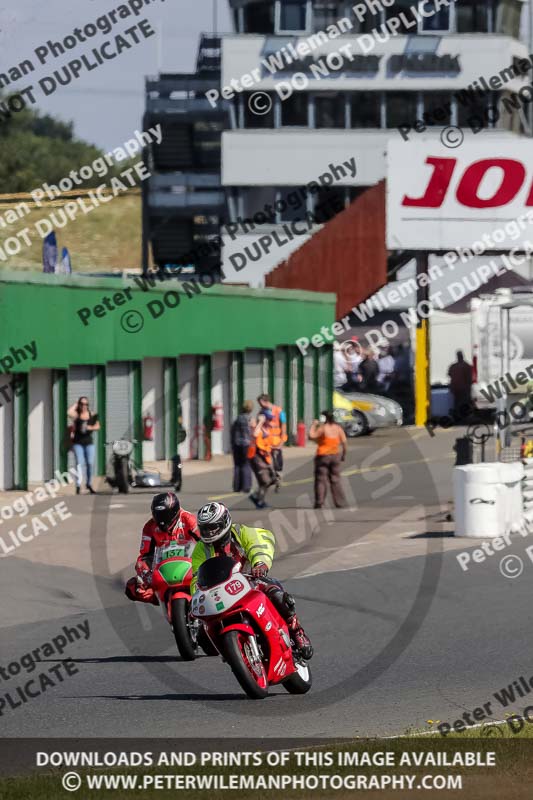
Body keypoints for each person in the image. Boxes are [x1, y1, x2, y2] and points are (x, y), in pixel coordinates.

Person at [190, 502, 313, 660]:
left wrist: (260, 564)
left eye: (212, 527)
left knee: (276, 594)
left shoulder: (241, 532)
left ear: (224, 523)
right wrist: (197, 596)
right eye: (204, 528)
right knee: (203, 632)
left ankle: (297, 631)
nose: (208, 532)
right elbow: (196, 576)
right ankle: (233, 654)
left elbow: (259, 545)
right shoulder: (200, 549)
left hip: (250, 580)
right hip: (221, 593)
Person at [124, 492, 199, 604]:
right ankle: (159, 596)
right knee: (132, 588)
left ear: (174, 511)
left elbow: (205, 542)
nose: (162, 521)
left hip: (191, 566)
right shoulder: (149, 527)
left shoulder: (188, 519)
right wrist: (146, 576)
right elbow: (145, 556)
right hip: (164, 568)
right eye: (158, 516)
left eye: (165, 516)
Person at [309, 411, 347, 509]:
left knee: (321, 479)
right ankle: (339, 502)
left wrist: (313, 425)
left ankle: (319, 502)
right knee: (335, 479)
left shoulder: (323, 428)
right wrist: (343, 455)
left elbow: (311, 436)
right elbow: (344, 442)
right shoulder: (338, 428)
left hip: (323, 456)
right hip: (335, 455)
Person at [67, 396, 100, 494]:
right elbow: (69, 412)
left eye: (86, 404)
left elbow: (98, 426)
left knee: (90, 463)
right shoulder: (76, 415)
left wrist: (90, 428)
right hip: (78, 443)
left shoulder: (91, 414)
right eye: (82, 404)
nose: (84, 406)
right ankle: (78, 485)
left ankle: (89, 484)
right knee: (79, 463)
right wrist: (76, 404)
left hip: (89, 443)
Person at [257, 393, 287, 487]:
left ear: (265, 401)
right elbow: (259, 424)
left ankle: (278, 476)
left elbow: (283, 425)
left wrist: (282, 440)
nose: (260, 406)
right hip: (266, 441)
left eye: (261, 403)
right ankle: (270, 477)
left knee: (277, 460)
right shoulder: (262, 412)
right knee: (266, 460)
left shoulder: (279, 411)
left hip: (277, 440)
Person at [249, 412, 277, 509]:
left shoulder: (268, 429)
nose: (270, 421)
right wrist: (260, 422)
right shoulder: (258, 428)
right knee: (265, 481)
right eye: (268, 419)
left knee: (271, 480)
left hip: (266, 458)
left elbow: (271, 442)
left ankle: (259, 499)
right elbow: (255, 435)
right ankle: (257, 498)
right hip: (257, 457)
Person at [230, 400, 253, 493]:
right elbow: (251, 432)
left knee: (237, 465)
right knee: (246, 464)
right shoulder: (250, 419)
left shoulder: (237, 419)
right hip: (246, 444)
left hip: (237, 444)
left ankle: (237, 486)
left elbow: (232, 432)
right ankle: (246, 486)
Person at [448, 350, 473, 419]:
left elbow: (449, 374)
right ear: (462, 356)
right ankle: (464, 416)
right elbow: (470, 378)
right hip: (464, 389)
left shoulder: (453, 366)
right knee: (464, 402)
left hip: (455, 389)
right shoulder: (467, 366)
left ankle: (457, 416)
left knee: (456, 403)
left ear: (457, 357)